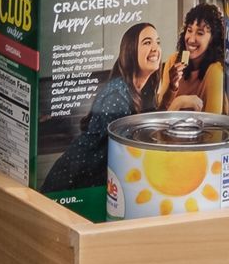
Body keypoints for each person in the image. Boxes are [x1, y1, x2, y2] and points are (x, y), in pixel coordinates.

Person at [41, 19, 165, 193]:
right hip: (72, 184)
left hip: (96, 183)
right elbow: (133, 149)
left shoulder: (142, 91)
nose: (155, 48)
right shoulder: (116, 95)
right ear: (130, 51)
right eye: (147, 42)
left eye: (157, 42)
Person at [159, 1, 227, 115]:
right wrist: (173, 89)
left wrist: (178, 104)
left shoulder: (216, 71)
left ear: (212, 39)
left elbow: (214, 126)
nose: (191, 39)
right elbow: (160, 113)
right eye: (189, 30)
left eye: (200, 33)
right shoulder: (173, 61)